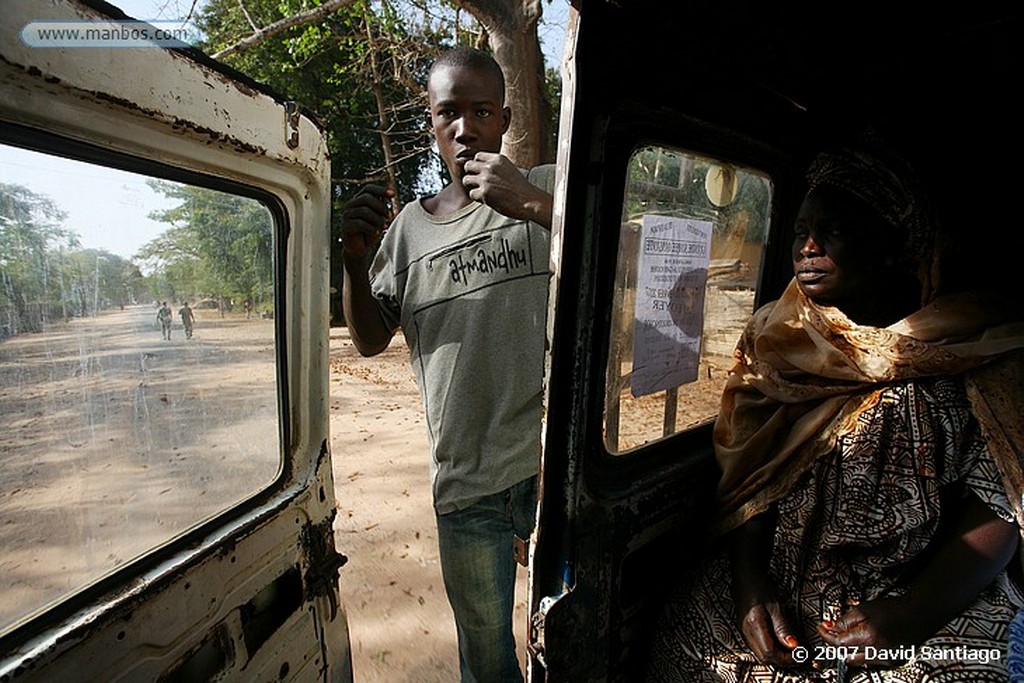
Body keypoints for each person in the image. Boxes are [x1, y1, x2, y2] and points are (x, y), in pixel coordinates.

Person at [646, 133, 1024, 682]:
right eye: (801, 232)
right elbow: (751, 479)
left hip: (915, 589)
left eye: (836, 232)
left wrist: (912, 615)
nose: (808, 248)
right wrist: (749, 582)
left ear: (893, 244)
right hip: (781, 577)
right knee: (688, 648)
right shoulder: (778, 337)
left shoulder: (972, 347)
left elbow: (1002, 506)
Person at [339, 47, 555, 682]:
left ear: (505, 119)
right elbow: (371, 339)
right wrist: (354, 261)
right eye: (449, 113)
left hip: (552, 471)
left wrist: (534, 203)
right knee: (487, 660)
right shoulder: (409, 229)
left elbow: (625, 256)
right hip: (467, 483)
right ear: (432, 125)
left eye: (482, 112)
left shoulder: (544, 187)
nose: (466, 128)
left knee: (572, 637)